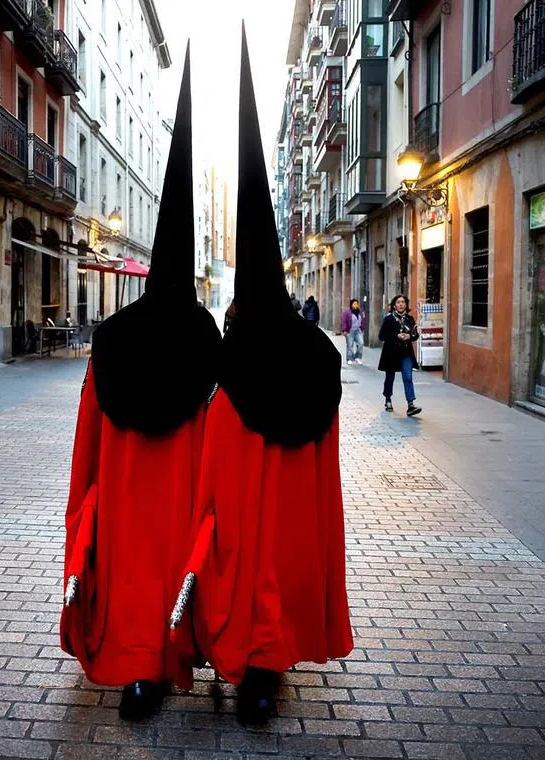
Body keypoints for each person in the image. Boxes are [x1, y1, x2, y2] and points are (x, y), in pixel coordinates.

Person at [170, 28, 353, 728]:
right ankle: (264, 675)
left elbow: (211, 458)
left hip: (243, 509)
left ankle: (240, 662)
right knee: (279, 570)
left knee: (244, 571)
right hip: (291, 512)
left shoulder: (229, 361)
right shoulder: (316, 355)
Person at [60, 47, 221, 722]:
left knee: (133, 570)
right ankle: (167, 658)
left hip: (127, 496)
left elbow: (87, 441)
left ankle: (138, 674)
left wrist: (85, 510)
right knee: (168, 567)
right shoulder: (206, 341)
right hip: (180, 494)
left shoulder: (113, 339)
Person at [378, 294, 422, 416]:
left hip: (405, 353)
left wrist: (410, 336)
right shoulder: (389, 319)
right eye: (398, 302)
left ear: (406, 305)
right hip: (391, 353)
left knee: (408, 377)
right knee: (390, 378)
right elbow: (381, 336)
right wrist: (395, 336)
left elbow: (415, 335)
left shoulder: (410, 319)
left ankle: (411, 404)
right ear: (394, 305)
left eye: (403, 302)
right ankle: (387, 399)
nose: (401, 304)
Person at [340, 298, 364, 366]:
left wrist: (362, 327)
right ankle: (349, 359)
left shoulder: (360, 312)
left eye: (357, 304)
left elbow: (362, 320)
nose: (356, 305)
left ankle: (358, 357)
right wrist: (344, 330)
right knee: (350, 345)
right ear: (351, 305)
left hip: (358, 331)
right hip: (350, 331)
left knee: (361, 343)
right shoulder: (347, 313)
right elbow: (343, 321)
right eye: (354, 304)